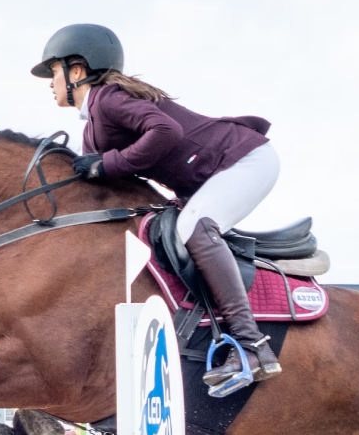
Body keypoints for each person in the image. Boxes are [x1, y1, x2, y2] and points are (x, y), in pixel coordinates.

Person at [32, 23, 282, 392]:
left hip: (245, 160)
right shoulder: (93, 127)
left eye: (53, 72)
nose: (49, 83)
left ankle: (252, 346)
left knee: (193, 229)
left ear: (78, 71)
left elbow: (167, 132)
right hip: (213, 175)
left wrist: (108, 164)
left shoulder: (108, 98)